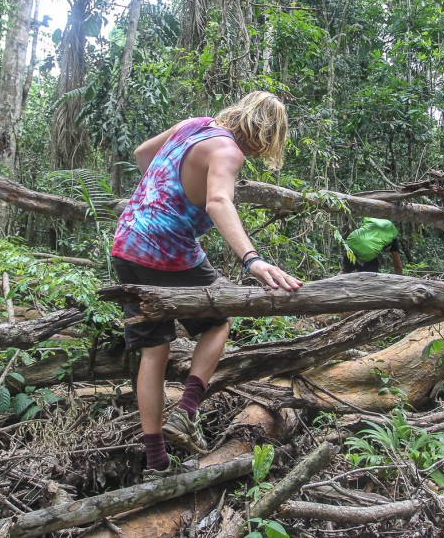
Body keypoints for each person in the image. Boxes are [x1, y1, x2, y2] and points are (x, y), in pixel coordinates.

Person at [111, 91, 303, 479]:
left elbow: (142, 155)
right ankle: (186, 411)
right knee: (221, 317)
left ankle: (156, 461)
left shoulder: (193, 126)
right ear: (267, 134)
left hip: (126, 244)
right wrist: (253, 259)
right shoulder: (230, 153)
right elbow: (218, 201)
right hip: (166, 249)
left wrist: (169, 183)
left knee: (154, 350)